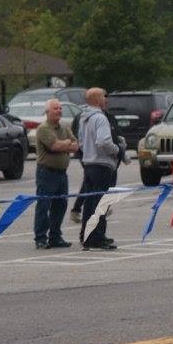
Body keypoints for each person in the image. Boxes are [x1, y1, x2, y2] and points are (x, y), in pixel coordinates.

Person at [76, 87, 123, 250]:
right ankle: (98, 237)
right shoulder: (100, 118)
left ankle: (87, 235)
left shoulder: (84, 118)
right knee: (101, 202)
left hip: (89, 164)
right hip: (102, 165)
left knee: (90, 202)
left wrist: (88, 154)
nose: (106, 99)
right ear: (96, 100)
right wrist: (117, 150)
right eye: (104, 96)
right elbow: (103, 141)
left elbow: (80, 143)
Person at [33, 98, 78, 249]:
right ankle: (40, 238)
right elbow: (54, 146)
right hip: (46, 173)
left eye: (60, 108)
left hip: (61, 174)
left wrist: (65, 144)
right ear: (47, 112)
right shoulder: (44, 128)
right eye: (55, 109)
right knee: (43, 206)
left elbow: (76, 146)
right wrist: (66, 144)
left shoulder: (64, 128)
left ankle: (55, 237)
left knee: (60, 206)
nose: (59, 111)